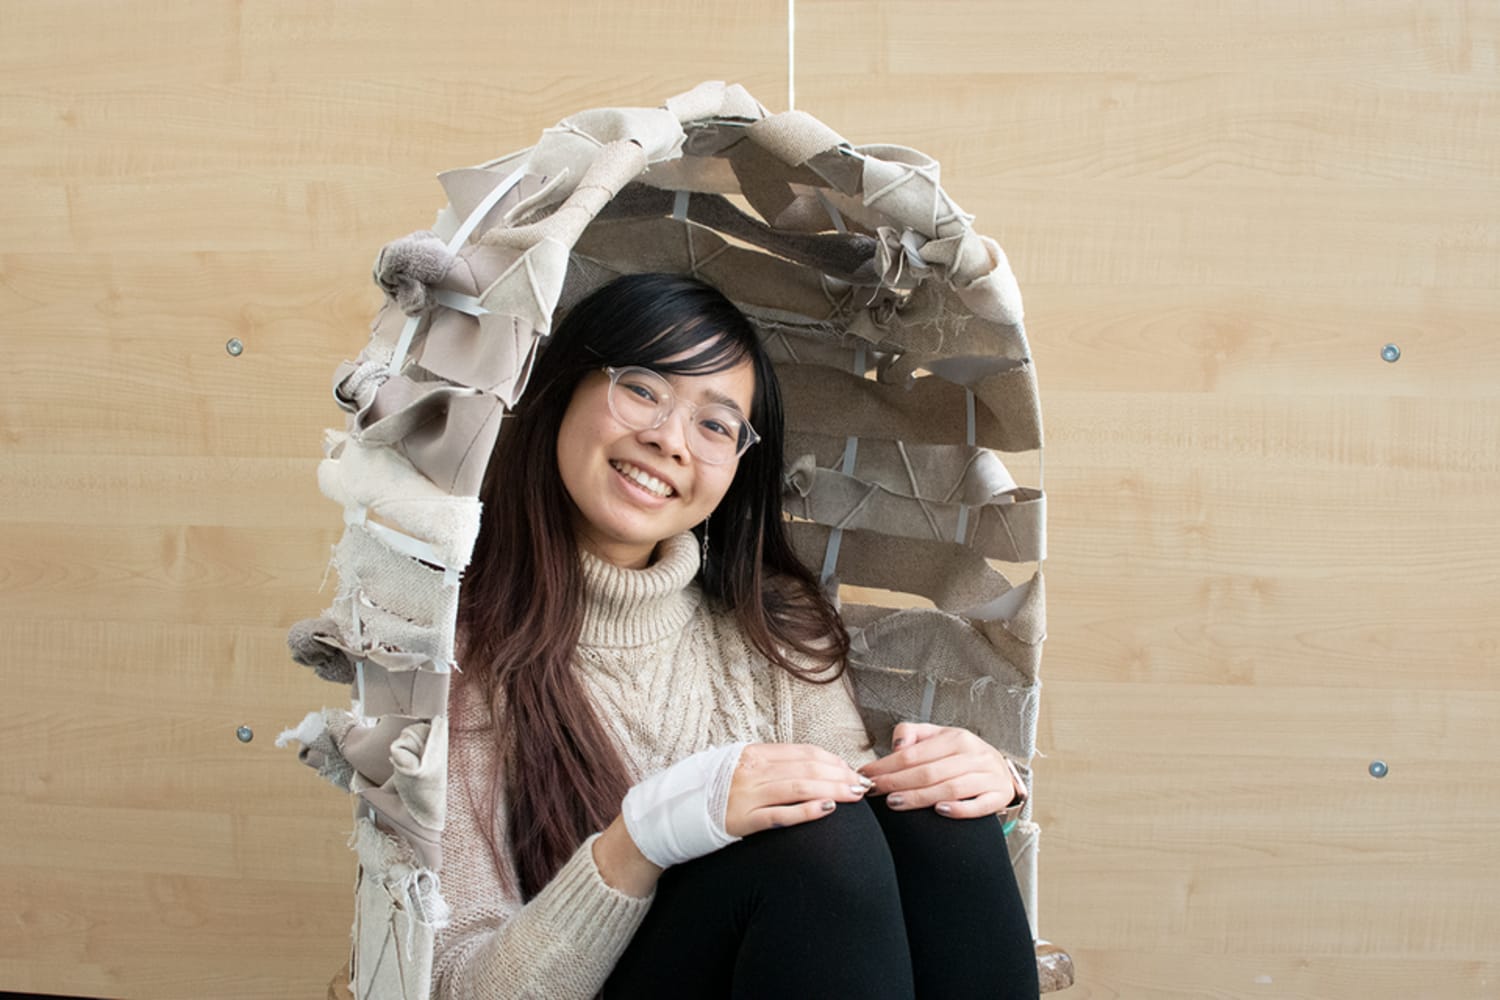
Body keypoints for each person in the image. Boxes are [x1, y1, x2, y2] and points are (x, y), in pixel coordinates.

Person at [434, 272, 1040, 999]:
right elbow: (454, 984)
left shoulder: (766, 625)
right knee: (817, 841)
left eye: (716, 424)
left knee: (937, 823)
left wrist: (979, 785)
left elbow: (866, 853)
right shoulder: (457, 649)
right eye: (642, 389)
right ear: (563, 385)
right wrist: (641, 842)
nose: (668, 440)